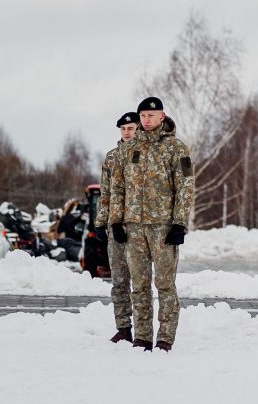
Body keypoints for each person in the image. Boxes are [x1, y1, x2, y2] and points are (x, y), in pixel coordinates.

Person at [109, 97, 193, 352]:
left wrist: (180, 223)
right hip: (134, 227)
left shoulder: (176, 148)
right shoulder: (128, 148)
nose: (146, 120)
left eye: (151, 116)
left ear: (162, 116)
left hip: (163, 228)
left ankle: (165, 338)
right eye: (143, 116)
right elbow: (118, 186)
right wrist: (116, 221)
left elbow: (186, 187)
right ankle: (142, 337)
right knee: (140, 285)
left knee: (165, 285)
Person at [95, 111, 139, 343]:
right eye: (123, 129)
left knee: (141, 281)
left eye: (131, 128)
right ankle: (123, 327)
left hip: (140, 226)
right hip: (116, 226)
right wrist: (102, 223)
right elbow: (106, 193)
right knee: (120, 280)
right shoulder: (112, 158)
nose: (126, 132)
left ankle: (143, 330)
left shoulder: (146, 155)